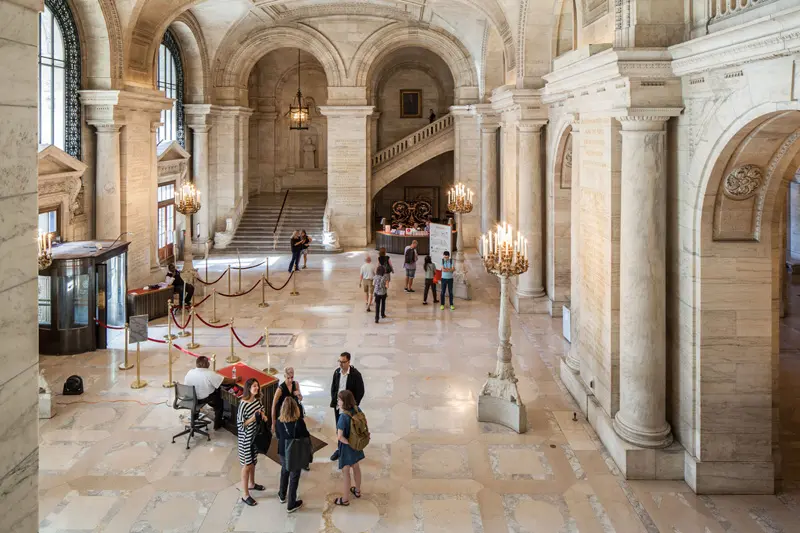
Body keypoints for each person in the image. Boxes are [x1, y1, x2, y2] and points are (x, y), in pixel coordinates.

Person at [183, 356, 239, 429]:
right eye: (207, 362)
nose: (209, 363)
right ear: (204, 364)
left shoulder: (190, 371)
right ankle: (217, 424)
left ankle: (194, 418)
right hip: (200, 400)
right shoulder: (208, 373)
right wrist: (235, 380)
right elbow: (223, 381)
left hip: (189, 398)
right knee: (218, 398)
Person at [276, 397, 310, 513]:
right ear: (295, 408)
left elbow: (278, 435)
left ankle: (281, 494)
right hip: (295, 452)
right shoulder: (299, 422)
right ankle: (291, 504)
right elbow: (306, 435)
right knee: (294, 476)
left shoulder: (279, 421)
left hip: (282, 451)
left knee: (284, 470)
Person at [329, 352, 365, 461]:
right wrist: (335, 402)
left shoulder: (355, 375)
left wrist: (353, 406)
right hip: (338, 407)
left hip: (349, 409)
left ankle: (352, 449)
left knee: (350, 430)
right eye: (339, 361)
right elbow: (333, 388)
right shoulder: (337, 372)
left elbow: (360, 391)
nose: (340, 364)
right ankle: (339, 449)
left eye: (343, 362)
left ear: (349, 362)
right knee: (339, 429)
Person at [333, 390, 365, 507]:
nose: (338, 401)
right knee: (356, 466)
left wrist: (348, 443)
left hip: (347, 448)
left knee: (346, 471)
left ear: (344, 402)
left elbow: (340, 436)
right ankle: (357, 490)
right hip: (357, 444)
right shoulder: (357, 409)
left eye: (339, 400)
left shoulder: (343, 417)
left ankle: (345, 499)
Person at [237, 378, 266, 506]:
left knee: (253, 461)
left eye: (257, 386)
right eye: (254, 386)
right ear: (248, 388)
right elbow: (241, 425)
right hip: (246, 440)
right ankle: (245, 494)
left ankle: (252, 484)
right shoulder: (243, 404)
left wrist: (263, 415)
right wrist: (253, 418)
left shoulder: (256, 400)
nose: (257, 388)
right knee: (247, 465)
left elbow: (261, 408)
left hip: (255, 437)